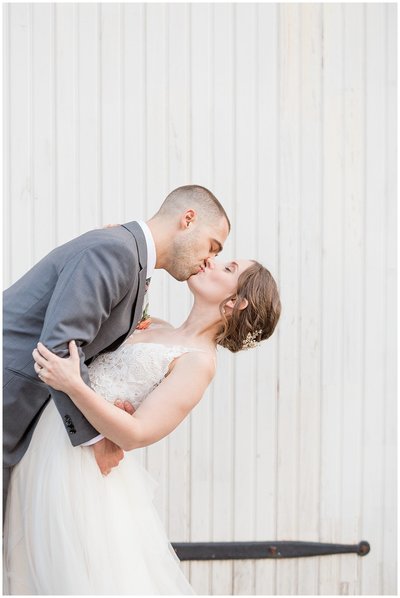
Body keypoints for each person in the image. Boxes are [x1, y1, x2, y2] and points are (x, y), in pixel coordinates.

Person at [3, 257, 281, 595]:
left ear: (237, 302)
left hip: (76, 468)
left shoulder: (199, 362)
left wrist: (73, 384)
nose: (212, 261)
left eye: (228, 269)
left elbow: (137, 433)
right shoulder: (155, 325)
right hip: (45, 439)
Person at [3, 184, 230, 516]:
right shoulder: (116, 251)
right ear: (188, 219)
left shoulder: (126, 256)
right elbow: (60, 348)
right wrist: (95, 442)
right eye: (213, 246)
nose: (209, 260)